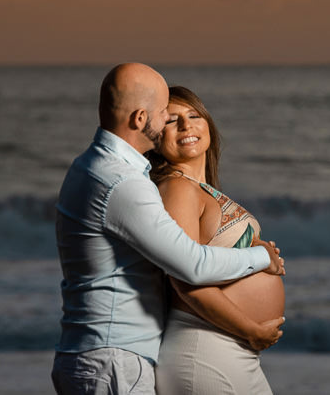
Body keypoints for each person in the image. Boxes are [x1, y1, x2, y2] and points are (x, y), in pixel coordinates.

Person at [52, 63, 285, 395]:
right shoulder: (122, 182)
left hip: (114, 356)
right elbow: (190, 268)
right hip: (116, 359)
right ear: (140, 119)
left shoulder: (97, 167)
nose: (170, 123)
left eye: (192, 115)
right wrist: (259, 258)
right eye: (166, 113)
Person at [151, 86, 286, 394]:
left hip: (229, 351)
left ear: (208, 124)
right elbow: (184, 278)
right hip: (205, 346)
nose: (186, 125)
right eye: (172, 120)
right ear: (156, 140)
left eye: (194, 115)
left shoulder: (199, 189)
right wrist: (251, 330)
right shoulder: (177, 189)